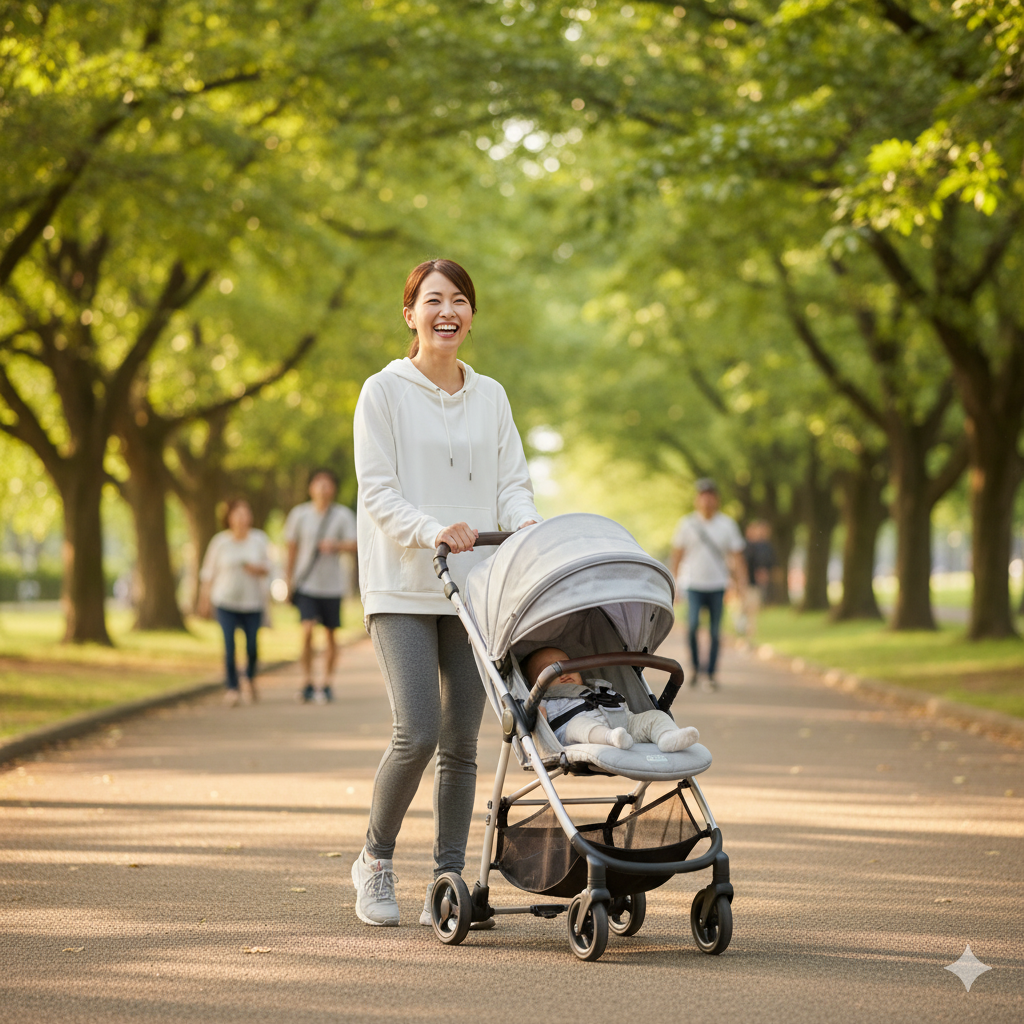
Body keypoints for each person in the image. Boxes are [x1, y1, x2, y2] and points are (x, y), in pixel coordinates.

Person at [349, 258, 540, 928]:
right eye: (433, 300)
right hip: (402, 585)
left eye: (459, 300)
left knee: (463, 738)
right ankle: (374, 858)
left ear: (471, 315)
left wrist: (524, 522)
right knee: (419, 730)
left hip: (472, 587)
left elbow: (512, 478)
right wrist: (434, 528)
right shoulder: (383, 391)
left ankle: (447, 881)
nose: (447, 311)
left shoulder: (491, 395)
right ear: (410, 313)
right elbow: (378, 492)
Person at [525, 648, 699, 752]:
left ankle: (668, 737)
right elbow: (536, 721)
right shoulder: (544, 702)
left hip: (626, 724)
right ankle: (610, 738)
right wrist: (536, 715)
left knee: (655, 716)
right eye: (551, 670)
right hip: (578, 734)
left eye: (567, 664)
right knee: (578, 727)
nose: (564, 672)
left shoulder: (596, 687)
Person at [284, 468, 358, 703]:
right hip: (306, 584)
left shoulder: (343, 515)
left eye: (327, 484)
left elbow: (356, 544)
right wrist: (289, 580)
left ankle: (326, 683)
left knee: (330, 635)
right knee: (306, 630)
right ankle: (307, 680)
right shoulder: (299, 515)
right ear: (311, 488)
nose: (323, 488)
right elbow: (291, 548)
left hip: (332, 586)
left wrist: (335, 546)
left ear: (333, 488)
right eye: (318, 484)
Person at [669, 479, 745, 690]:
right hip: (693, 584)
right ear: (697, 499)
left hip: (718, 585)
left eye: (711, 495)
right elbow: (677, 556)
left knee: (714, 631)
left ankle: (710, 674)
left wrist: (740, 585)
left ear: (717, 499)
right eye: (703, 495)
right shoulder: (687, 524)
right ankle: (695, 668)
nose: (707, 499)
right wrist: (674, 585)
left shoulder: (727, 524)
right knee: (692, 626)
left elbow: (737, 557)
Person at [198, 498, 271, 707]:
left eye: (245, 513)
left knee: (251, 647)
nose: (242, 518)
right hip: (225, 602)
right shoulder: (219, 542)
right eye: (237, 514)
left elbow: (269, 568)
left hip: (253, 603)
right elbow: (208, 574)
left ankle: (249, 677)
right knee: (229, 646)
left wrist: (256, 569)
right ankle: (232, 687)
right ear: (229, 518)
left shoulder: (259, 539)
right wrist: (204, 600)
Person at [738, 519, 775, 642]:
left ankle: (748, 634)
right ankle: (746, 633)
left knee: (751, 610)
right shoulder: (744, 547)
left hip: (753, 584)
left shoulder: (763, 547)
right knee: (746, 609)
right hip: (747, 583)